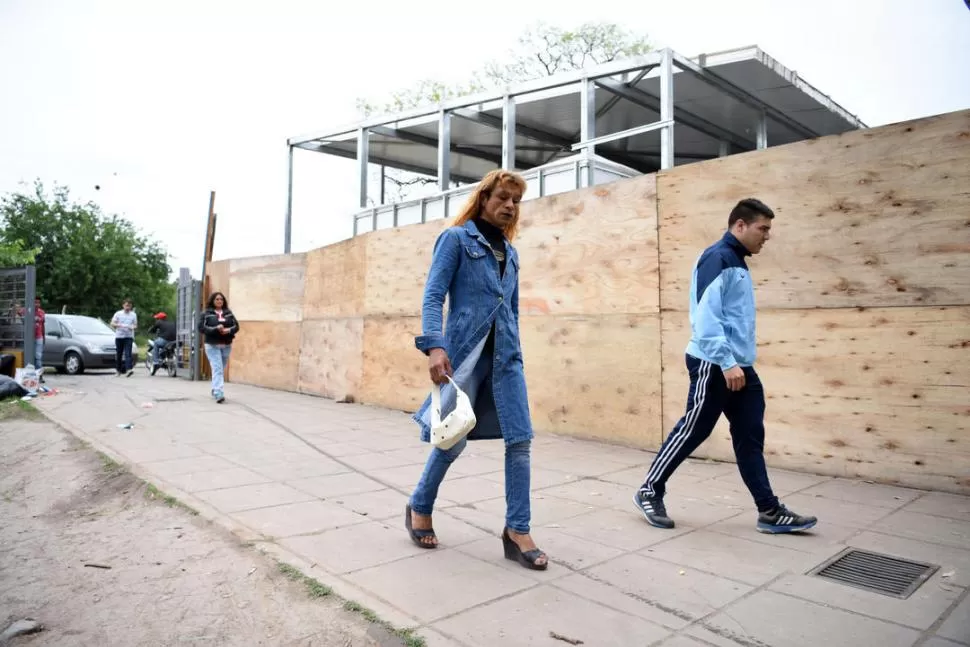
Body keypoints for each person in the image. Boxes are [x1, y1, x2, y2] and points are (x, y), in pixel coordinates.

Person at [633, 198, 818, 535]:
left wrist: (739, 363)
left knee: (749, 435)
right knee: (695, 428)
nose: (767, 236)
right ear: (740, 225)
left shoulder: (737, 261)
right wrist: (728, 362)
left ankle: (769, 511)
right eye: (763, 229)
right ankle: (649, 490)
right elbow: (705, 318)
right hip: (714, 362)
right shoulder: (717, 258)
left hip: (738, 366)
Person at [407, 169, 548, 571]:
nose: (509, 206)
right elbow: (433, 295)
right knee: (452, 441)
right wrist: (434, 346)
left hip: (506, 360)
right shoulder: (455, 239)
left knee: (520, 440)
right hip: (464, 357)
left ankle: (517, 530)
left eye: (516, 201)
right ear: (484, 198)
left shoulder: (512, 253)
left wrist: (516, 349)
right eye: (503, 198)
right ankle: (420, 505)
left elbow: (513, 310)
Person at [198, 292, 239, 403]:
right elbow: (201, 328)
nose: (219, 301)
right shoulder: (206, 314)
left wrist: (228, 330)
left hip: (226, 345)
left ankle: (215, 388)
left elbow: (236, 326)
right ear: (212, 301)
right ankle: (219, 393)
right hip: (212, 345)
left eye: (221, 299)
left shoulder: (228, 313)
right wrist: (215, 328)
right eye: (217, 299)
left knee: (220, 368)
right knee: (218, 369)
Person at [110, 299, 137, 377]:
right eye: (126, 305)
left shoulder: (133, 314)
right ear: (123, 305)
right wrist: (118, 325)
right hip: (119, 336)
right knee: (119, 354)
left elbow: (135, 325)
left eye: (129, 306)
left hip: (129, 336)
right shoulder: (118, 313)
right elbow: (112, 323)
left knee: (128, 353)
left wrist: (132, 327)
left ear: (131, 306)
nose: (127, 307)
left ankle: (129, 369)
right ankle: (118, 370)